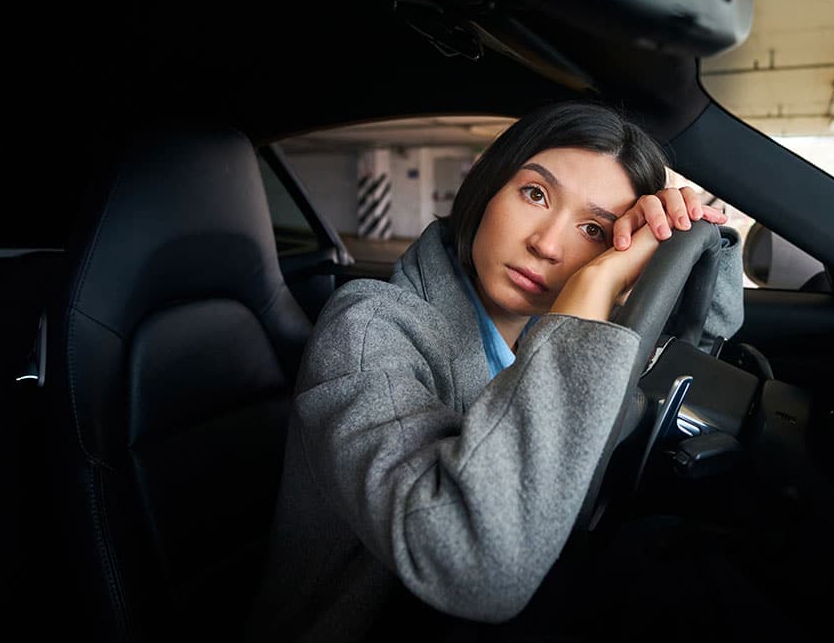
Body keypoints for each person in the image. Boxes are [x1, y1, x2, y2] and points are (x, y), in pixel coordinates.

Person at [246, 100, 744, 642]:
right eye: (535, 194)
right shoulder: (368, 329)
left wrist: (699, 236)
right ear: (488, 186)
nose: (548, 245)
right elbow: (470, 560)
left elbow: (697, 346)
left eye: (595, 231)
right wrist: (591, 292)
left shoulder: (541, 329)